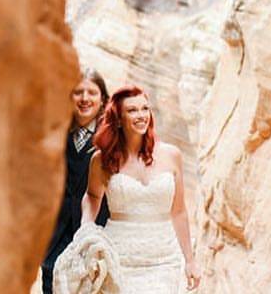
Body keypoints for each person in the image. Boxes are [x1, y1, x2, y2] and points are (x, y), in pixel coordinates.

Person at [66, 85, 201, 292]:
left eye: (145, 108)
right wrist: (86, 230)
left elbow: (179, 211)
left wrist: (190, 260)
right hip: (120, 257)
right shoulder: (101, 160)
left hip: (164, 259)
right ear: (118, 119)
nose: (141, 115)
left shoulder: (171, 155)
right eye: (132, 110)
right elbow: (92, 197)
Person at [40, 69, 111, 294]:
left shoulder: (111, 141)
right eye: (78, 92)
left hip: (93, 235)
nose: (84, 98)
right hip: (55, 237)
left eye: (92, 92)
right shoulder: (55, 131)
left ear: (102, 101)